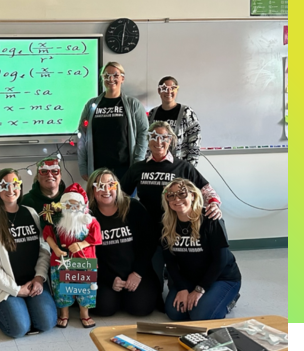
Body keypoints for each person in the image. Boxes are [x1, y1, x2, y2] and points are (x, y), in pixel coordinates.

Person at [121, 121, 222, 282]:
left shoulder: (183, 167)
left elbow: (207, 190)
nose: (159, 142)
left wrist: (214, 205)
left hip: (177, 229)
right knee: (154, 282)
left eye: (164, 137)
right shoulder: (137, 168)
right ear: (148, 139)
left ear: (170, 140)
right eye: (154, 136)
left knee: (181, 274)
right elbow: (120, 195)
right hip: (148, 230)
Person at [0, 168, 56, 338]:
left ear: (20, 186)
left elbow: (44, 249)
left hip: (33, 282)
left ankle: (26, 305)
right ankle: (16, 307)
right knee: (18, 329)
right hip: (4, 287)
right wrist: (16, 290)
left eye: (15, 184)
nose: (10, 190)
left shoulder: (31, 213)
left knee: (47, 322)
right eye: (4, 185)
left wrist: (39, 278)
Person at [161, 179, 241, 321]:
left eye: (181, 194)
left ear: (192, 195)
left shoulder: (211, 218)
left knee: (201, 316)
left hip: (221, 277)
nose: (177, 199)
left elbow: (220, 260)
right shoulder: (166, 224)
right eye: (171, 195)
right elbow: (170, 262)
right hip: (190, 277)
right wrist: (182, 288)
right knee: (175, 313)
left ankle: (230, 299)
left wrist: (199, 289)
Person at [86, 168, 159, 317]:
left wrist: (138, 273)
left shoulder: (134, 207)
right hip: (105, 274)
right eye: (100, 186)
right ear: (92, 190)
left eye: (111, 185)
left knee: (140, 308)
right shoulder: (87, 215)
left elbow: (149, 243)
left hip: (136, 271)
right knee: (103, 309)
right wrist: (108, 278)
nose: (106, 190)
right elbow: (88, 255)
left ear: (117, 187)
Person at [42, 183, 101, 328]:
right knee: (62, 287)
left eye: (76, 205)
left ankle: (84, 313)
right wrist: (55, 248)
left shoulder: (90, 222)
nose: (73, 208)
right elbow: (47, 234)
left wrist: (81, 244)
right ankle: (64, 313)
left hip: (85, 261)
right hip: (61, 260)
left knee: (85, 288)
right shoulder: (56, 221)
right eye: (69, 205)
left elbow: (96, 237)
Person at [77, 61, 148, 182]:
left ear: (122, 78)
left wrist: (138, 163)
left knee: (125, 201)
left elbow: (144, 133)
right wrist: (83, 167)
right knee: (101, 200)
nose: (111, 79)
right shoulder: (91, 105)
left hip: (126, 169)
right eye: (106, 75)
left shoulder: (133, 104)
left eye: (115, 75)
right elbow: (82, 135)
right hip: (97, 169)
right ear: (102, 78)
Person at [147, 76, 202, 166]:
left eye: (173, 88)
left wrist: (188, 170)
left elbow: (195, 144)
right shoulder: (152, 114)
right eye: (164, 88)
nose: (169, 92)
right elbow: (148, 143)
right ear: (159, 91)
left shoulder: (187, 113)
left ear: (176, 90)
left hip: (179, 168)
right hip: (156, 168)